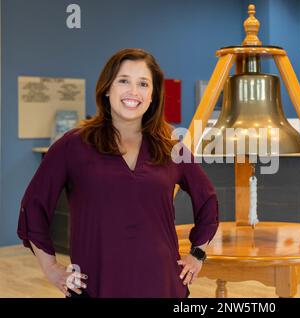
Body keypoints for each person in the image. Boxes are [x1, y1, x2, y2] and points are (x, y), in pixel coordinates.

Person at [17, 48, 219, 298]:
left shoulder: (171, 147)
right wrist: (51, 268)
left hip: (163, 286)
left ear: (153, 95)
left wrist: (197, 254)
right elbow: (34, 206)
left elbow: (207, 199)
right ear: (107, 88)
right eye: (124, 81)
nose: (134, 92)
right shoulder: (73, 146)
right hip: (97, 287)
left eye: (143, 84)